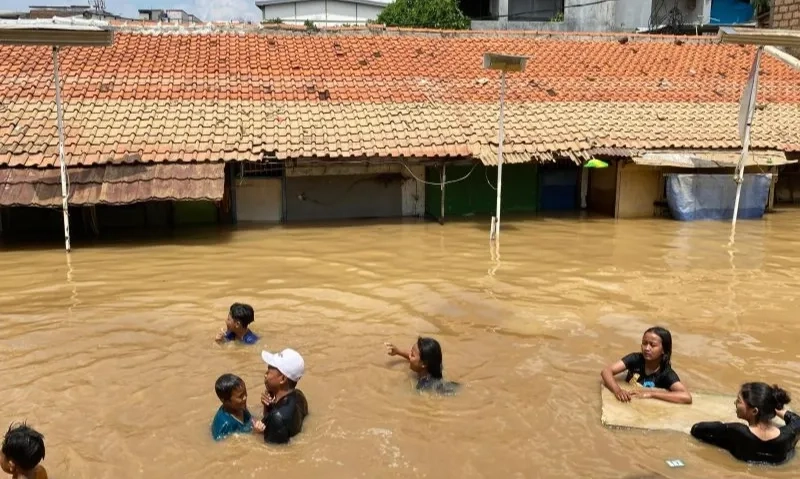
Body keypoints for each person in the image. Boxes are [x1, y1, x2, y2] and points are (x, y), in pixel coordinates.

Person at [690, 382, 800, 464]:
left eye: (738, 401)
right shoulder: (788, 435)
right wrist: (773, 408)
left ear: (754, 411)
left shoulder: (737, 431)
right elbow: (797, 420)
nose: (735, 403)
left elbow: (697, 429)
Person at [600, 326, 692, 404]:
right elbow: (606, 371)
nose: (647, 348)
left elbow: (686, 397)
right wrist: (617, 390)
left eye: (652, 345)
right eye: (644, 343)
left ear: (664, 350)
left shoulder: (665, 373)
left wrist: (651, 394)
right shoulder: (635, 359)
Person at [257, 348, 309, 444]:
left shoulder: (277, 418)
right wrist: (268, 407)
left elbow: (271, 451)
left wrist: (256, 434)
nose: (265, 375)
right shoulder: (299, 395)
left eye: (269, 371)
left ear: (283, 379)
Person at [385, 336, 460, 395]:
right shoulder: (435, 365)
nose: (409, 356)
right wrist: (398, 352)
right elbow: (415, 358)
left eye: (412, 355)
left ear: (423, 364)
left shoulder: (423, 386)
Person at [210, 373, 259, 441]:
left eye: (245, 392)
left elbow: (251, 420)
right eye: (240, 396)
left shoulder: (240, 407)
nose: (245, 397)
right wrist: (255, 433)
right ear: (225, 400)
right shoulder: (226, 425)